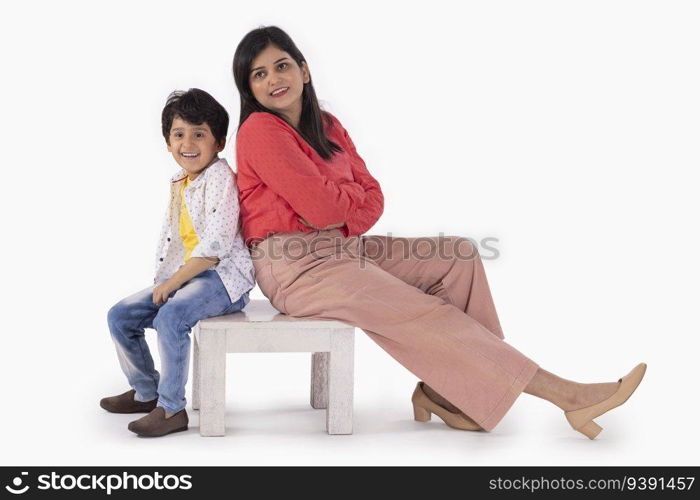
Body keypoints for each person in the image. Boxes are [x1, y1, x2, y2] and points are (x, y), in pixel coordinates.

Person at [232, 26, 646, 439]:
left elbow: (372, 198)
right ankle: (568, 397)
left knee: (457, 257)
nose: (274, 80)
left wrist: (334, 209)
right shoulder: (259, 131)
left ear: (304, 71)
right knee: (421, 310)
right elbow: (323, 206)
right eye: (259, 74)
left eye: (282, 66)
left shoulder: (328, 125)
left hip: (345, 248)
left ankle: (446, 393)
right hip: (295, 267)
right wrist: (339, 201)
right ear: (249, 88)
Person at [101, 88, 255, 437]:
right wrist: (168, 281)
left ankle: (171, 409)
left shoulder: (219, 178)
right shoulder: (179, 182)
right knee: (120, 315)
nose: (188, 143)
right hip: (190, 278)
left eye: (199, 134)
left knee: (171, 316)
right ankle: (146, 393)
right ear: (168, 143)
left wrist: (170, 286)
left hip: (224, 280)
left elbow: (215, 247)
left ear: (219, 142)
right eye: (179, 134)